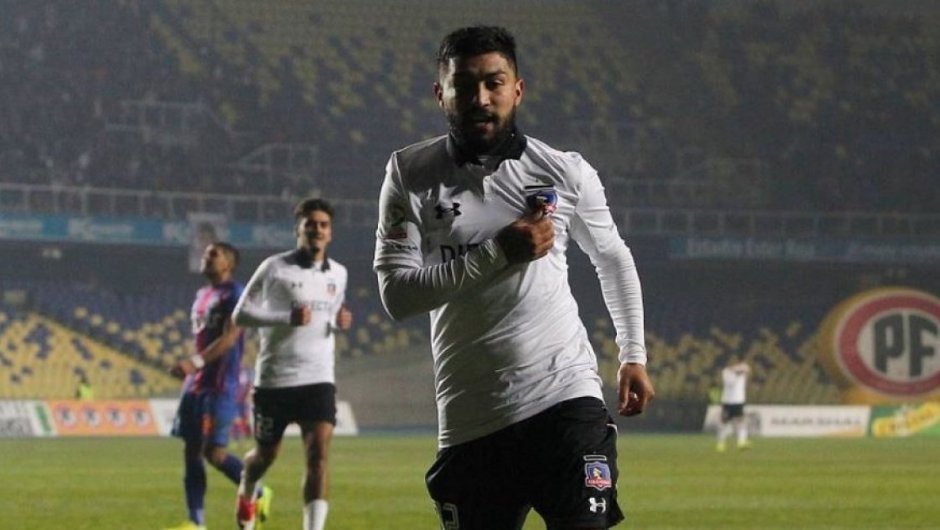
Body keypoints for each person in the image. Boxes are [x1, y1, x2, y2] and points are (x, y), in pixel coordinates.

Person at [373, 25, 654, 530]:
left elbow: (612, 256)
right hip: (470, 416)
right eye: (464, 85)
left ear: (517, 89)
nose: (480, 98)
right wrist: (500, 252)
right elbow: (397, 295)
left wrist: (633, 352)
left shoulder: (565, 172)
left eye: (494, 83)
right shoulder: (410, 173)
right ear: (442, 94)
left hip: (564, 397)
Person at [233, 198, 353, 530]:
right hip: (274, 381)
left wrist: (340, 320)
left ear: (330, 233)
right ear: (298, 229)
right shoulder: (274, 268)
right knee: (264, 456)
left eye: (323, 224)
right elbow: (240, 314)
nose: (317, 229)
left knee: (318, 457)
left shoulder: (339, 274)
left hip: (319, 379)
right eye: (310, 223)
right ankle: (247, 487)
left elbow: (331, 313)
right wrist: (285, 317)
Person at [165, 242, 270, 530]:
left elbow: (229, 338)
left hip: (220, 384)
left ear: (229, 264)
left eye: (214, 254)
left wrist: (195, 363)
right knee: (190, 451)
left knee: (215, 453)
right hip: (194, 385)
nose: (206, 257)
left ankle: (258, 491)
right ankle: (195, 522)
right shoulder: (202, 295)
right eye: (206, 254)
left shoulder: (236, 294)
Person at [716, 357, 752, 452]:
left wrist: (741, 370)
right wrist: (737, 371)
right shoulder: (726, 372)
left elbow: (747, 368)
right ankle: (721, 443)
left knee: (741, 422)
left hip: (737, 401)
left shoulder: (740, 372)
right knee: (724, 423)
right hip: (728, 401)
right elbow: (731, 383)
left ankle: (741, 442)